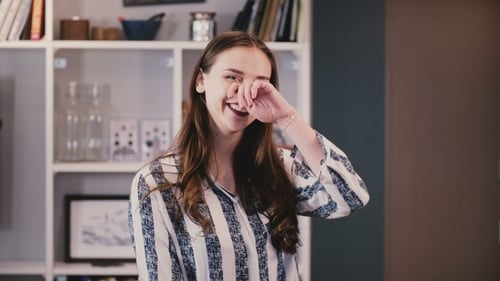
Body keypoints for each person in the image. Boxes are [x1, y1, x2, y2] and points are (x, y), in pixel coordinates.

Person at [128, 30, 370, 281]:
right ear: (201, 80)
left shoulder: (282, 168)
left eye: (259, 83)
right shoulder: (158, 182)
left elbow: (350, 197)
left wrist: (287, 118)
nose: (245, 93)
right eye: (232, 77)